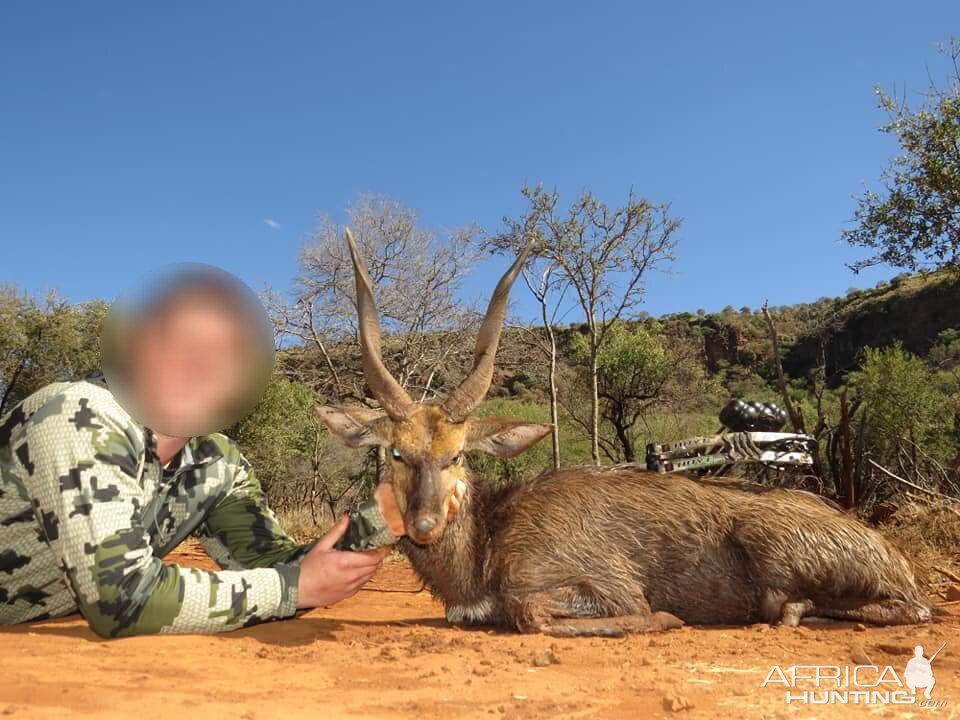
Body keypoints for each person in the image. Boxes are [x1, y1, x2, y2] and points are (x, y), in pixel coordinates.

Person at [0, 266, 446, 637]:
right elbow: (122, 598)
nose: (200, 367)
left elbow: (279, 566)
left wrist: (384, 519)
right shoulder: (79, 413)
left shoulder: (216, 462)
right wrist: (292, 587)